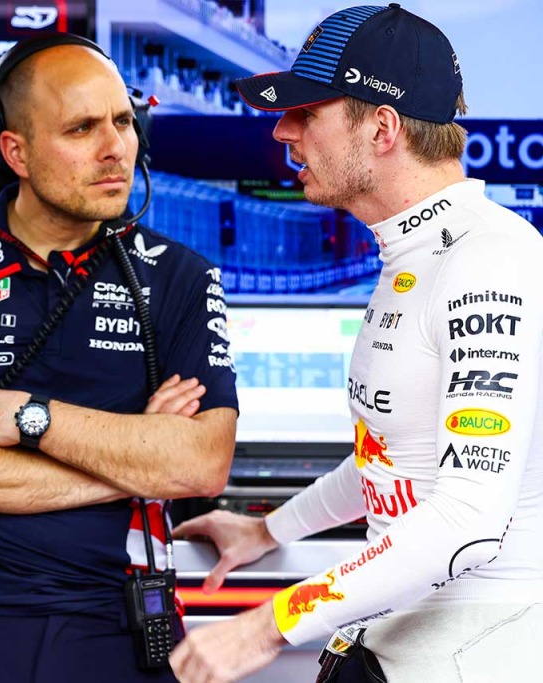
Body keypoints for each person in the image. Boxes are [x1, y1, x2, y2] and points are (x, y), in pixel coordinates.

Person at [169, 5, 543, 682]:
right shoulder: (418, 254)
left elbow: (467, 518)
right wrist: (270, 529)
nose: (282, 131)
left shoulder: (490, 259)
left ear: (382, 128)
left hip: (477, 651)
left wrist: (269, 623)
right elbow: (392, 456)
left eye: (307, 112)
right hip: (405, 643)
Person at [0, 34, 238, 682]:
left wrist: (31, 417)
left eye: (124, 121)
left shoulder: (182, 276)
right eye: (81, 128)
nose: (116, 148)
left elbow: (201, 463)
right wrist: (138, 460)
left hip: (124, 623)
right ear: (14, 150)